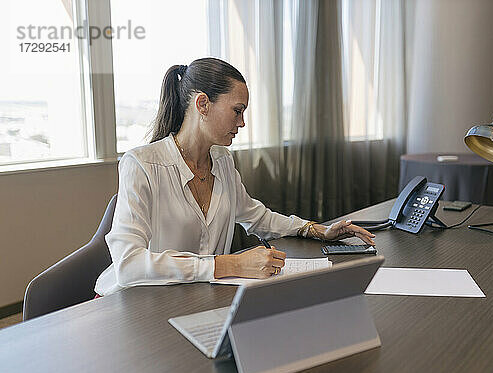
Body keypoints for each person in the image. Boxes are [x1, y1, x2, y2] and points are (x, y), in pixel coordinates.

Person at [94, 58, 375, 296]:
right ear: (202, 104)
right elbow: (128, 264)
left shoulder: (223, 161)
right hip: (133, 304)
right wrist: (230, 265)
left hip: (190, 298)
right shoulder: (141, 164)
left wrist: (317, 230)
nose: (242, 123)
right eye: (237, 111)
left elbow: (257, 217)